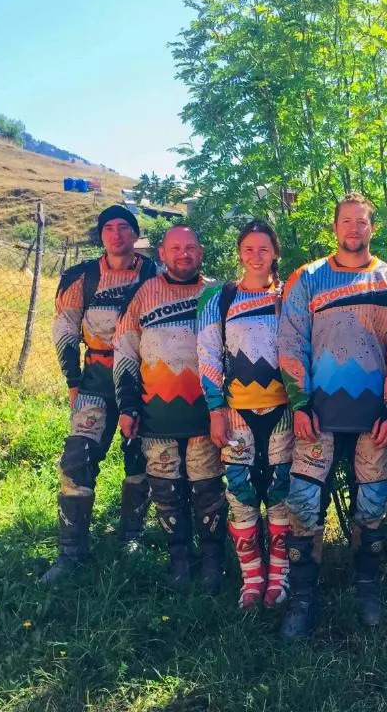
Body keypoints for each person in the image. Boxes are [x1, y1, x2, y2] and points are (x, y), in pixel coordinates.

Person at [277, 192, 387, 637]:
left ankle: (367, 587)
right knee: (303, 503)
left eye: (362, 221)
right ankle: (303, 597)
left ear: (372, 227)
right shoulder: (307, 278)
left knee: (372, 504)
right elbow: (291, 342)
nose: (354, 229)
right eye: (346, 221)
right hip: (316, 416)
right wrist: (299, 402)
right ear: (335, 227)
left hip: (373, 418)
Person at [41, 205, 156, 583]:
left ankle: (132, 536)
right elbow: (64, 329)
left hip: (145, 382)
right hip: (95, 382)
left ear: (135, 233)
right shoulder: (82, 277)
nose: (117, 234)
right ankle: (70, 552)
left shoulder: (154, 275)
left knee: (140, 457)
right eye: (109, 228)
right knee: (78, 456)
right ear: (101, 235)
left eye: (124, 227)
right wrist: (72, 380)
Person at [113, 225, 226, 592]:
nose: (183, 254)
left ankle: (213, 561)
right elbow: (125, 351)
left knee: (208, 490)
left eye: (190, 247)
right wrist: (127, 406)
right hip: (156, 415)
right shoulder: (143, 293)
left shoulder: (217, 294)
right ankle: (179, 560)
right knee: (165, 491)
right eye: (175, 248)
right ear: (162, 253)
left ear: (201, 251)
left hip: (205, 416)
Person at [196, 219, 292, 609]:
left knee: (281, 492)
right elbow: (207, 356)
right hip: (237, 415)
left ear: (275, 253)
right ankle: (252, 578)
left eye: (263, 249)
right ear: (239, 252)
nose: (256, 256)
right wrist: (216, 409)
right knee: (240, 492)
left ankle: (279, 577)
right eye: (249, 249)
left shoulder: (289, 297)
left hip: (283, 412)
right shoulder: (219, 299)